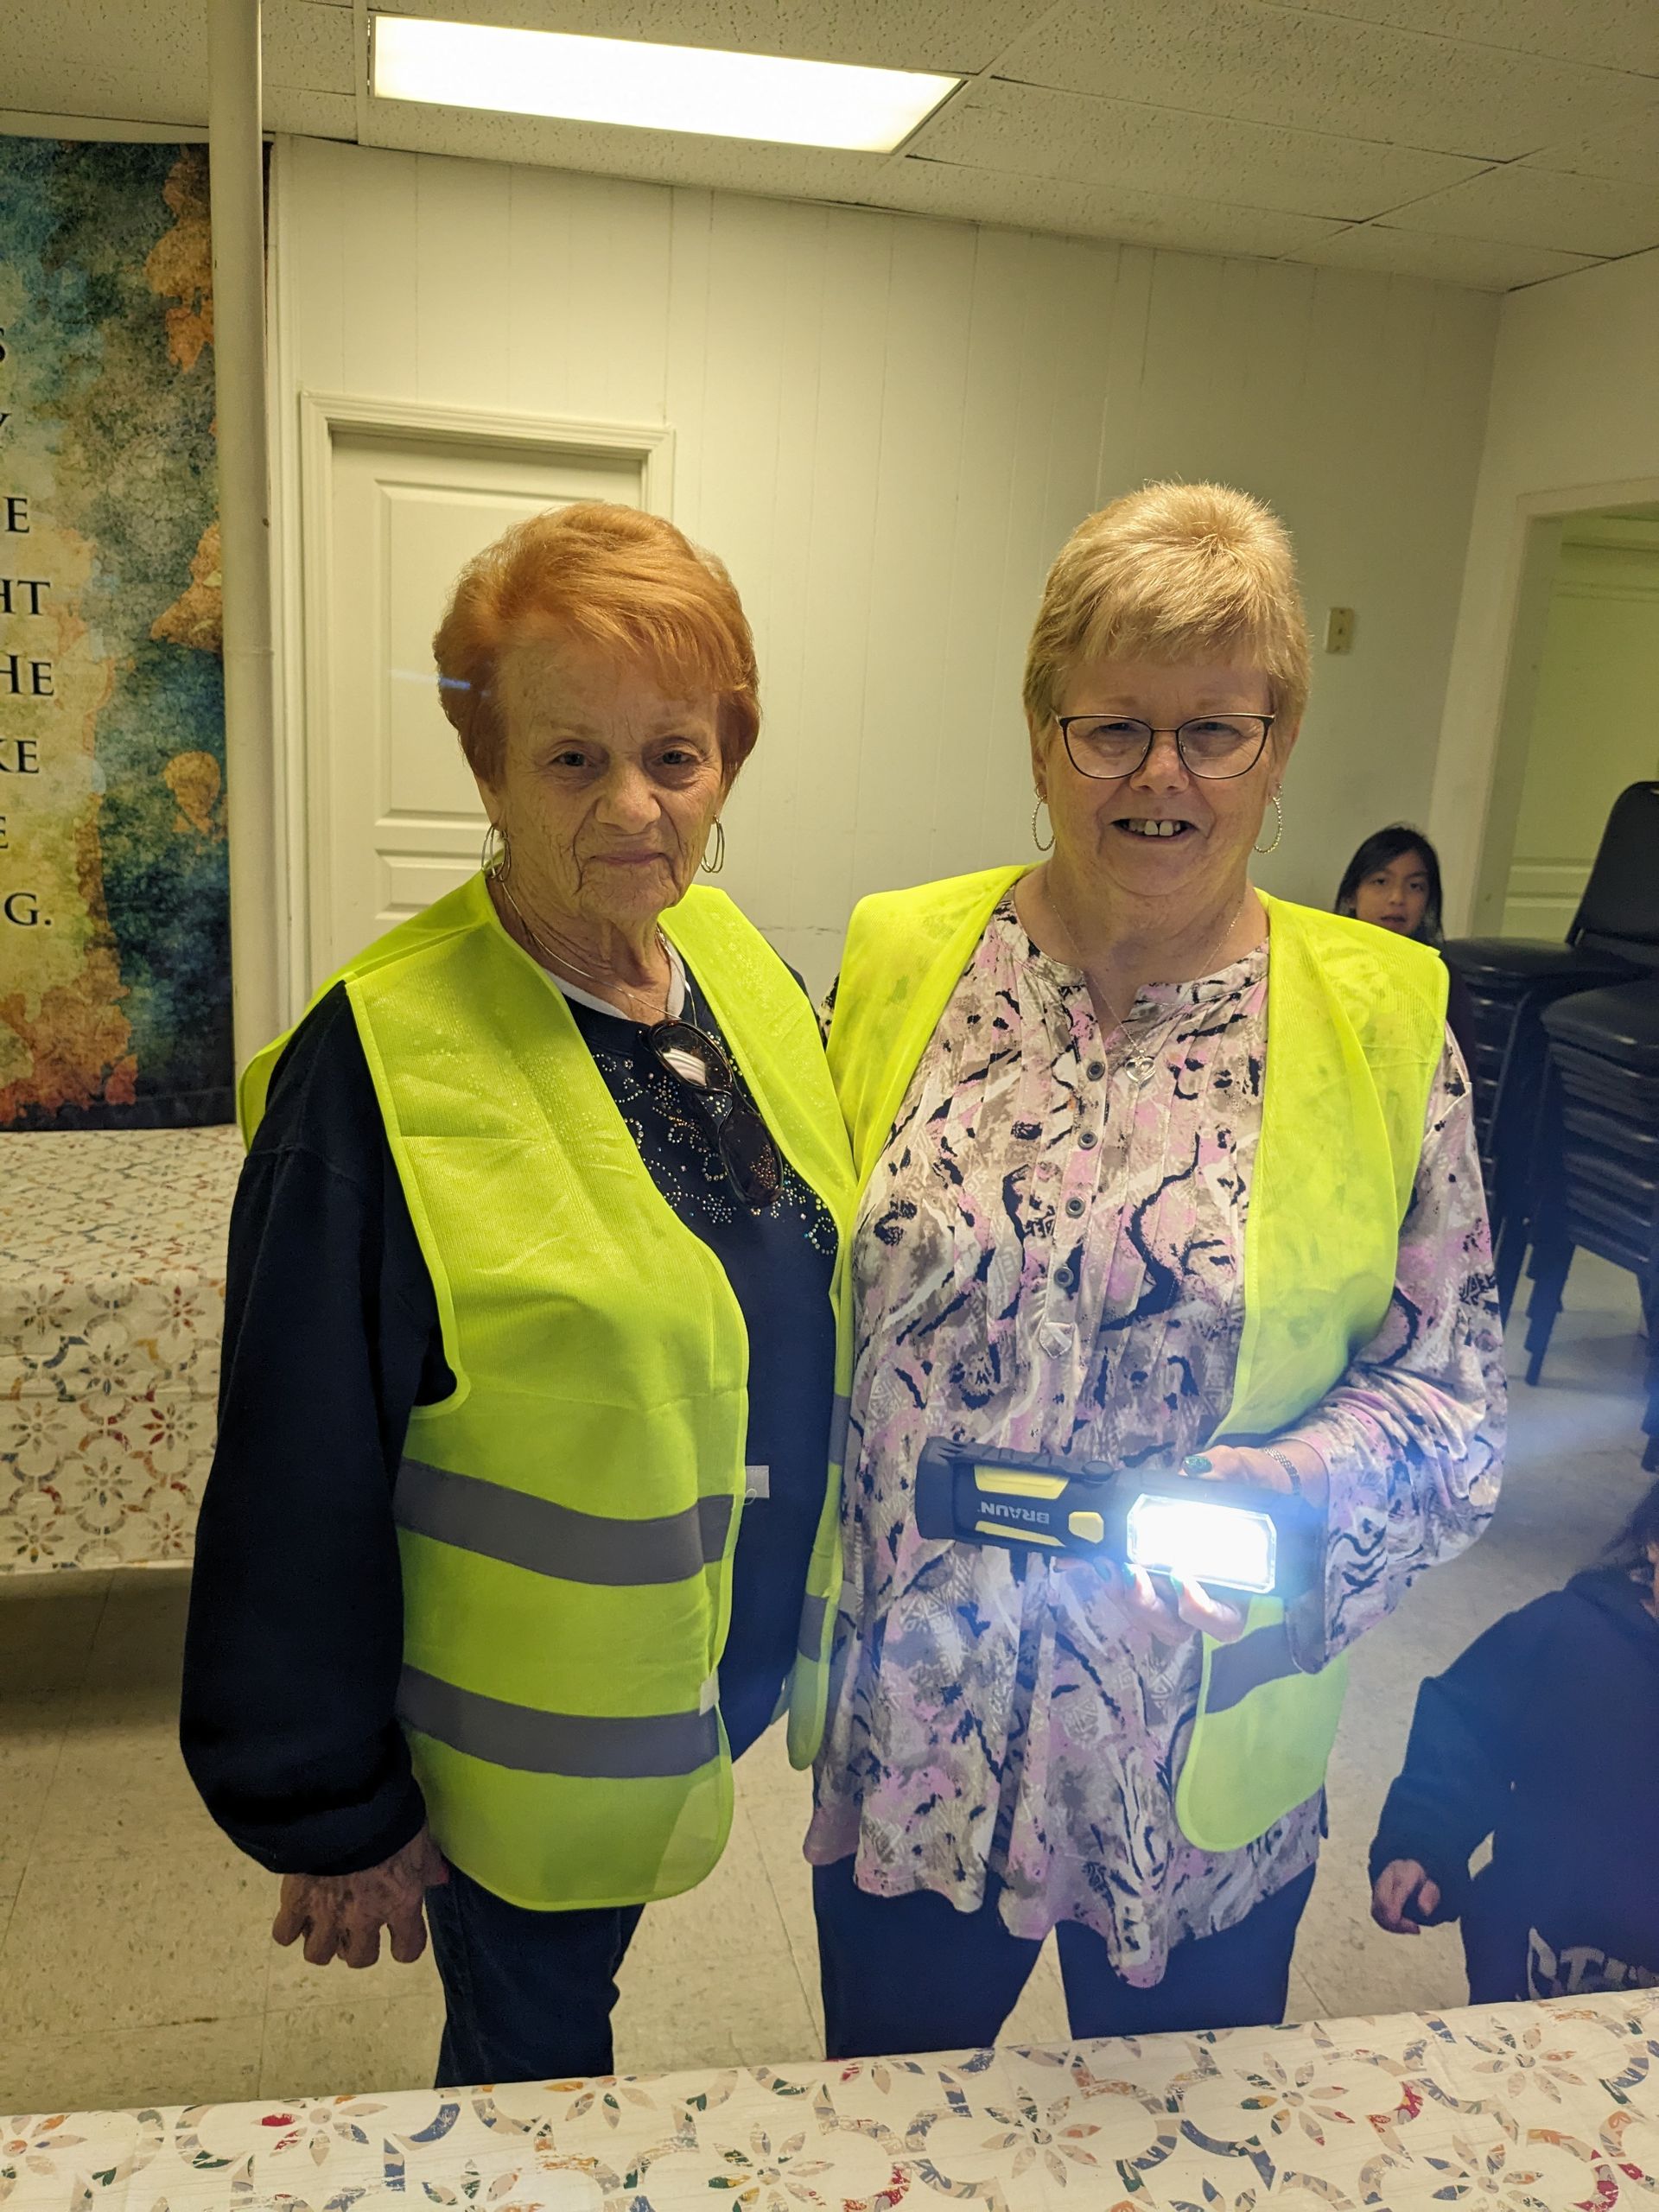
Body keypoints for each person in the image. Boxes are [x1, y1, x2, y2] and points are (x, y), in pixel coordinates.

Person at [808, 481, 1506, 2058]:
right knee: (894, 2136)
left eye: (1219, 730)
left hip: (1194, 1765)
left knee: (1177, 2151)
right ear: (1042, 734)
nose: (1163, 776)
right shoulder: (903, 953)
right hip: (919, 1734)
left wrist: (1291, 1489)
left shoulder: (1389, 1023)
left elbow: (1454, 1399)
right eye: (1112, 726)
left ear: (1281, 745)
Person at [181, 504, 854, 2088]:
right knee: (533, 2076)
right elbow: (292, 1472)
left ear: (728, 760)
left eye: (675, 755)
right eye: (571, 761)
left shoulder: (734, 971)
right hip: (509, 1765)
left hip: (700, 1695)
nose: (633, 807)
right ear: (486, 770)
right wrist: (336, 1811)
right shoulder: (376, 1070)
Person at [1370, 1478, 1659, 2002]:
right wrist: (1424, 1845)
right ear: (1652, 1542)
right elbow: (1467, 1735)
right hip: (1535, 1968)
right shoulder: (1563, 1635)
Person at [1335, 823, 1477, 1059]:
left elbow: (1461, 1072)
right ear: (1352, 895)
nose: (1397, 898)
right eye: (1381, 882)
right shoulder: (1321, 962)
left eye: (1415, 886)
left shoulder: (1439, 977)